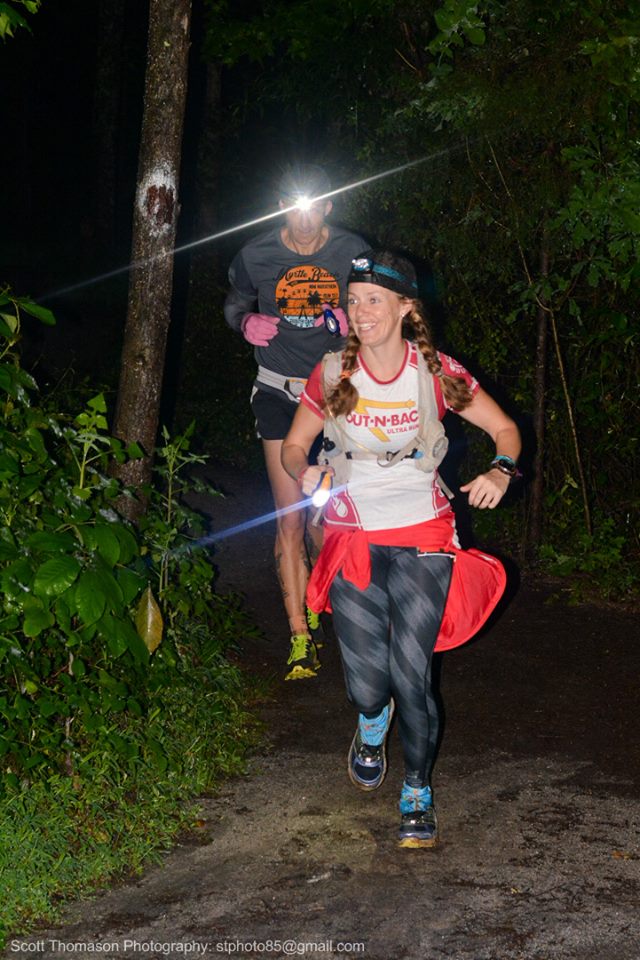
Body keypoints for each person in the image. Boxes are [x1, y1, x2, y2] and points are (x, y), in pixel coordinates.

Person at [281, 250, 521, 848]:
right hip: (353, 535)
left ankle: (417, 788)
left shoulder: (436, 372)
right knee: (369, 686)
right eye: (352, 299)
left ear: (406, 307)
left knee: (412, 677)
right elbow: (294, 448)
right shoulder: (332, 370)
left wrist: (501, 470)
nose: (359, 312)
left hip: (425, 534)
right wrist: (306, 472)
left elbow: (506, 430)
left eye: (373, 300)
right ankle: (370, 721)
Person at [224, 164, 366, 680]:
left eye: (314, 207)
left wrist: (360, 318)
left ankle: (334, 609)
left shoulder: (352, 251)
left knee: (326, 519)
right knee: (289, 517)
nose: (303, 220)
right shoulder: (256, 254)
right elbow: (235, 302)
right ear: (282, 207)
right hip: (279, 394)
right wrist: (245, 321)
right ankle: (299, 639)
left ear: (328, 207)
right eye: (293, 207)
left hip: (336, 395)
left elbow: (383, 306)